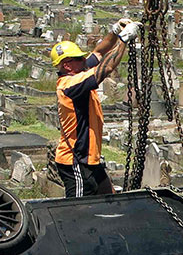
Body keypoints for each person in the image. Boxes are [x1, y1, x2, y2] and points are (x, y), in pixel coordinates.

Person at [49, 18, 141, 198]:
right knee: (78, 210)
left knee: (110, 198)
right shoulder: (70, 85)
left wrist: (114, 32)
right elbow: (105, 68)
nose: (84, 59)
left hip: (89, 159)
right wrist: (123, 39)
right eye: (79, 58)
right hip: (75, 161)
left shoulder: (79, 71)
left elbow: (99, 53)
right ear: (67, 65)